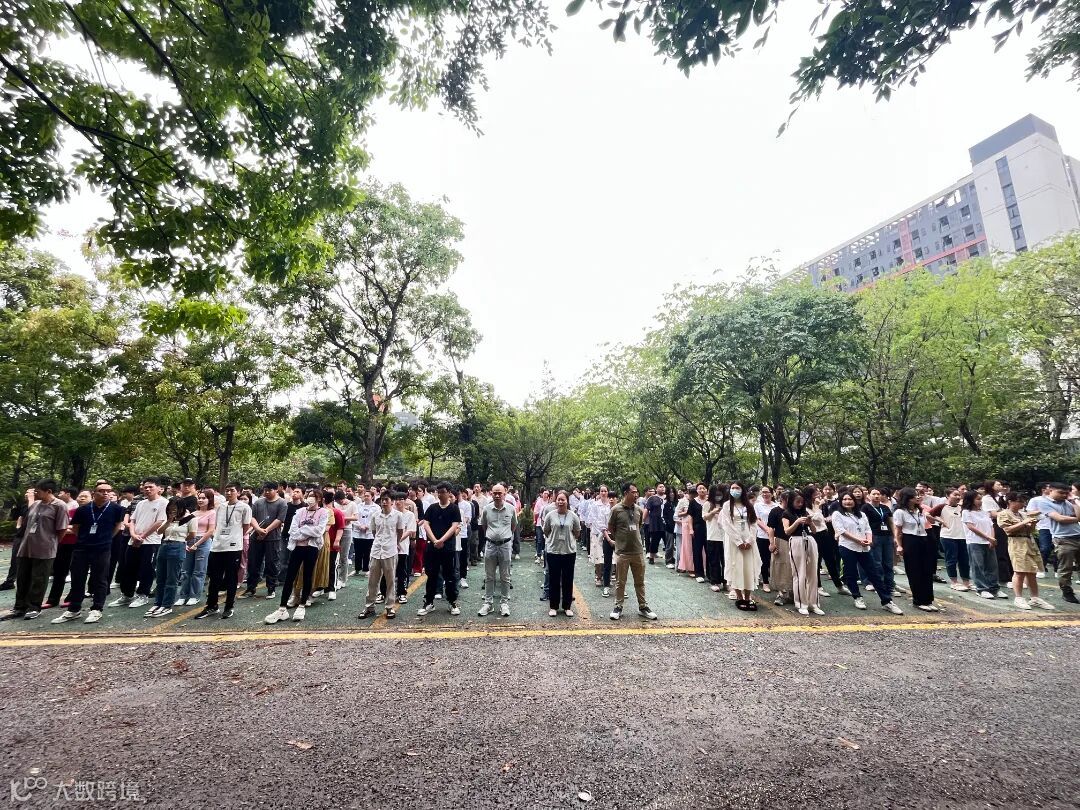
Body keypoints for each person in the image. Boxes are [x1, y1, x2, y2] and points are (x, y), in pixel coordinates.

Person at [51, 480, 126, 624]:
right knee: (78, 578)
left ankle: (97, 609)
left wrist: (106, 539)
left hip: (102, 548)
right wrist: (84, 539)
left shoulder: (117, 509)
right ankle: (74, 609)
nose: (105, 494)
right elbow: (76, 528)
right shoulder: (83, 509)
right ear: (94, 493)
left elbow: (117, 526)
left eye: (108, 491)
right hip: (82, 548)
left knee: (100, 579)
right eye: (101, 491)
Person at [1, 479, 68, 621]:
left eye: (38, 491)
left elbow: (61, 529)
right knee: (22, 577)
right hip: (26, 546)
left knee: (39, 579)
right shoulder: (36, 504)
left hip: (45, 548)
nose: (35, 494)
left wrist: (51, 543)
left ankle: (34, 607)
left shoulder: (59, 506)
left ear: (49, 491)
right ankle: (19, 607)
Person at [830, 491, 903, 614]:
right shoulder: (837, 514)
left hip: (864, 547)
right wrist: (858, 540)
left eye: (850, 499)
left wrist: (869, 540)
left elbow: (867, 529)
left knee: (874, 574)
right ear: (841, 501)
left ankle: (886, 601)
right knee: (851, 573)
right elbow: (841, 531)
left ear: (854, 501)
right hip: (847, 547)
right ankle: (857, 597)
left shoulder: (861, 514)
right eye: (845, 499)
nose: (847, 502)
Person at [266, 489, 328, 623]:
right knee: (290, 577)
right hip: (297, 548)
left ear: (319, 499)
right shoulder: (300, 512)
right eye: (309, 496)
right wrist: (307, 532)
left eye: (314, 496)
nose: (311, 498)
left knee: (307, 576)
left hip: (312, 548)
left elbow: (319, 531)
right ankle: (282, 608)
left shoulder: (323, 512)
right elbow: (292, 531)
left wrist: (303, 530)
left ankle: (302, 605)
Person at [196, 482, 253, 620]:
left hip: (233, 547)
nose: (228, 493)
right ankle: (212, 606)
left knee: (231, 578)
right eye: (227, 490)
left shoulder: (244, 507)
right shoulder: (221, 506)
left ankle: (229, 607)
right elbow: (217, 524)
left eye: (232, 490)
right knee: (214, 578)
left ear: (238, 492)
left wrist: (234, 537)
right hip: (217, 546)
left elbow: (245, 526)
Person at [111, 478, 167, 610]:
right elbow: (133, 520)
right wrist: (133, 534)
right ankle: (127, 594)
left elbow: (159, 522)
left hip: (151, 541)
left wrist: (143, 536)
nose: (147, 489)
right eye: (145, 487)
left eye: (151, 487)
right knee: (128, 567)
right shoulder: (141, 503)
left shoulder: (164, 503)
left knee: (146, 568)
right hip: (134, 540)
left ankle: (143, 594)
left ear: (159, 488)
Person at [607, 483, 657, 621]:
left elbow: (639, 525)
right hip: (622, 552)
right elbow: (611, 527)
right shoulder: (616, 510)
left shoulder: (639, 510)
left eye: (636, 492)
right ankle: (618, 607)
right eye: (633, 492)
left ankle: (643, 607)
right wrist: (620, 539)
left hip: (637, 551)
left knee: (639, 581)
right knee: (620, 582)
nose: (636, 494)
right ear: (625, 493)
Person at [997, 491, 1054, 610]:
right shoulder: (1003, 514)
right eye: (1020, 501)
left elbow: (1030, 531)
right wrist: (1024, 522)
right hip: (1016, 542)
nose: (1023, 504)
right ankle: (1018, 597)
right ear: (1010, 502)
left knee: (1032, 571)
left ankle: (1035, 598)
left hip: (1029, 541)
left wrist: (1033, 523)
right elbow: (1008, 530)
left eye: (1023, 502)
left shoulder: (1023, 514)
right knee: (1019, 571)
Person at [417, 482, 462, 617]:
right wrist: (435, 540)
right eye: (439, 492)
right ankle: (429, 602)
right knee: (432, 575)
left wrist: (442, 540)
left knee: (449, 575)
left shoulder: (454, 508)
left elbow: (454, 526)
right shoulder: (432, 508)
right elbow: (426, 524)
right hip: (433, 547)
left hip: (447, 547)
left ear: (449, 493)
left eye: (443, 492)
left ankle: (452, 602)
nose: (440, 494)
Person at [146, 496, 195, 617]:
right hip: (164, 545)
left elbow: (192, 534)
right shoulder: (169, 519)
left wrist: (181, 541)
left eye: (175, 508)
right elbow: (159, 531)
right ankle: (158, 603)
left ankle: (167, 605)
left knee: (171, 579)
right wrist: (169, 521)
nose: (172, 510)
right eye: (170, 508)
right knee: (160, 577)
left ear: (181, 508)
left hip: (178, 546)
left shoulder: (190, 518)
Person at [895, 487, 942, 612]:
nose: (917, 497)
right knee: (914, 570)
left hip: (924, 538)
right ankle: (918, 600)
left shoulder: (919, 510)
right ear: (907, 498)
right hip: (910, 540)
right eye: (914, 496)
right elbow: (898, 531)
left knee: (927, 570)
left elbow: (927, 522)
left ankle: (928, 600)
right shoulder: (900, 512)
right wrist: (899, 545)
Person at [358, 492, 402, 619]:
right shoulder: (375, 515)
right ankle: (369, 607)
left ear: (392, 501)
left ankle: (390, 607)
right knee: (372, 581)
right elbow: (374, 531)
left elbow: (400, 531)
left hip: (390, 551)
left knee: (390, 581)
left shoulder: (398, 515)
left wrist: (395, 543)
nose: (384, 502)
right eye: (382, 500)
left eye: (387, 499)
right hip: (376, 550)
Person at [43, 488, 86, 609]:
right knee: (59, 571)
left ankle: (72, 598)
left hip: (78, 544)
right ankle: (53, 599)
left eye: (85, 496)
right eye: (80, 496)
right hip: (62, 543)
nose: (82, 498)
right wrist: (66, 528)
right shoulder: (65, 509)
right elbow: (57, 526)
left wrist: (64, 528)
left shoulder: (86, 511)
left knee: (77, 572)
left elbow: (79, 529)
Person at [478, 483, 517, 617]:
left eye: (499, 493)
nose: (497, 495)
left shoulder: (511, 509)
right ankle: (488, 603)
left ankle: (504, 603)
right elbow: (484, 526)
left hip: (505, 545)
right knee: (489, 576)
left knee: (505, 576)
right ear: (491, 493)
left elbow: (513, 526)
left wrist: (504, 536)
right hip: (490, 545)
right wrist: (493, 536)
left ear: (505, 493)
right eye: (494, 493)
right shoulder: (487, 509)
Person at [244, 482, 287, 600]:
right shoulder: (258, 502)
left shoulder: (282, 503)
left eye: (269, 490)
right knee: (253, 563)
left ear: (276, 490)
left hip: (273, 538)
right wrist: (258, 529)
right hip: (256, 537)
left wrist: (266, 530)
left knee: (271, 563)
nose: (267, 492)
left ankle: (271, 588)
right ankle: (251, 588)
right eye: (265, 490)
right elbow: (252, 517)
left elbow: (279, 519)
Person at [720, 482, 759, 611]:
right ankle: (739, 597)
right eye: (732, 488)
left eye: (737, 488)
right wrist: (738, 541)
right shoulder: (727, 505)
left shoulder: (748, 505)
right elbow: (727, 524)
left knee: (748, 568)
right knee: (735, 567)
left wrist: (750, 540)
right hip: (733, 541)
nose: (735, 490)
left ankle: (747, 597)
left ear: (743, 490)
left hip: (748, 540)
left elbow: (753, 523)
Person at [960, 489, 1006, 600]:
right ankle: (981, 588)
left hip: (988, 542)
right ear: (971, 500)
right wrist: (988, 537)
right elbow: (971, 527)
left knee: (992, 566)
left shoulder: (984, 512)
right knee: (978, 566)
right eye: (978, 499)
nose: (980, 501)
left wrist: (992, 538)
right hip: (975, 542)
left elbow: (991, 526)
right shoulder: (966, 512)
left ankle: (994, 588)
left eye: (980, 499)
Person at [782, 491, 822, 616]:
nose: (800, 504)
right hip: (796, 541)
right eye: (797, 502)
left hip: (809, 540)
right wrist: (797, 522)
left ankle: (813, 603)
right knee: (800, 573)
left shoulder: (805, 512)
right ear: (791, 501)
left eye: (801, 502)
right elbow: (787, 531)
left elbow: (814, 531)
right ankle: (801, 603)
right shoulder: (786, 513)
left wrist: (810, 523)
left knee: (813, 573)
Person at [542, 491, 581, 616]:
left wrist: (570, 540)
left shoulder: (573, 516)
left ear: (567, 501)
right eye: (558, 499)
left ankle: (567, 606)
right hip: (553, 551)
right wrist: (553, 540)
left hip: (569, 551)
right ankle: (553, 607)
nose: (560, 502)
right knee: (553, 579)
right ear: (556, 501)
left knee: (568, 579)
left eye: (563, 499)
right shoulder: (550, 515)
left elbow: (577, 532)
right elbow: (546, 530)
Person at [177, 489, 216, 606]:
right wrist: (185, 542)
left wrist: (196, 544)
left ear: (210, 500)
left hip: (203, 542)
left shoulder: (212, 513)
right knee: (185, 570)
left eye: (204, 498)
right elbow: (182, 526)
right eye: (199, 498)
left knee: (199, 571)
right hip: (189, 541)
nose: (201, 500)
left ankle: (194, 595)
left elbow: (210, 531)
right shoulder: (193, 513)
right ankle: (183, 595)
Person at [1044, 482, 1080, 603]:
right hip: (1063, 539)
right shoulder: (1045, 503)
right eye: (1061, 493)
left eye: (1066, 493)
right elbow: (1059, 519)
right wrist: (1076, 518)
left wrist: (1074, 501)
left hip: (1078, 535)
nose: (1064, 495)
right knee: (1066, 567)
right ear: (1051, 491)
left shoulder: (1069, 502)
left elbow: (1078, 515)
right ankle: (1067, 592)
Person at [930, 489, 971, 591]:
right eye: (955, 495)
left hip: (962, 536)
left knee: (964, 560)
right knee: (951, 559)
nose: (958, 497)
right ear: (948, 496)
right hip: (948, 537)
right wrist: (940, 520)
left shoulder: (962, 508)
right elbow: (927, 514)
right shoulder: (942, 507)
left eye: (959, 495)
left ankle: (966, 582)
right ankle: (954, 582)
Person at [767, 490, 793, 606]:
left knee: (793, 567)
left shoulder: (795, 511)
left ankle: (792, 592)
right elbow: (771, 528)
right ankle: (781, 593)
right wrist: (772, 543)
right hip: (780, 541)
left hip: (795, 542)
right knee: (780, 567)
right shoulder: (775, 511)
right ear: (782, 499)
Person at [587, 486, 613, 596]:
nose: (603, 493)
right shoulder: (595, 504)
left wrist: (607, 530)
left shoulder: (611, 504)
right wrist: (601, 530)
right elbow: (593, 518)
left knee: (609, 557)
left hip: (609, 533)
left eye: (605, 491)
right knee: (598, 556)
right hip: (597, 532)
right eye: (602, 491)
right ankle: (598, 576)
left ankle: (608, 577)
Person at [702, 484, 728, 594]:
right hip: (713, 536)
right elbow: (705, 517)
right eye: (716, 494)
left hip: (725, 536)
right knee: (714, 560)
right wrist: (713, 512)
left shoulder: (726, 504)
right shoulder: (708, 504)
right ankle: (715, 582)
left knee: (726, 561)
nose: (718, 496)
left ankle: (726, 582)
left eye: (720, 494)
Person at [392, 492, 417, 604]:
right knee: (387, 570)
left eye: (401, 499)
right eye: (396, 499)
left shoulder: (410, 515)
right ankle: (383, 592)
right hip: (390, 547)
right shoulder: (391, 513)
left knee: (402, 570)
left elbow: (409, 531)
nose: (398, 502)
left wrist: (398, 541)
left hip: (402, 547)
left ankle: (401, 593)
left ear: (405, 501)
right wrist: (393, 542)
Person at [753, 486, 777, 593]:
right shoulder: (758, 505)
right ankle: (765, 582)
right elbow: (757, 519)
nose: (764, 494)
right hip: (762, 536)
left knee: (775, 560)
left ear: (772, 493)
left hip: (775, 536)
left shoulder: (776, 505)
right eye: (763, 492)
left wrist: (772, 531)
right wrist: (767, 529)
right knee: (764, 560)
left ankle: (775, 582)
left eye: (767, 492)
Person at [354, 489, 378, 577]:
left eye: (368, 496)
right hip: (358, 532)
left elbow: (376, 519)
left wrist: (367, 526)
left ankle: (367, 569)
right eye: (365, 496)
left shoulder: (376, 507)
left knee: (368, 552)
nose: (366, 497)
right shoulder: (358, 506)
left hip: (369, 533)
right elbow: (355, 517)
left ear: (372, 497)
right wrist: (359, 525)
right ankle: (357, 568)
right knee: (358, 551)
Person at [688, 483, 709, 584]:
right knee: (697, 551)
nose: (702, 490)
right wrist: (690, 529)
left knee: (709, 550)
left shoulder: (710, 501)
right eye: (700, 488)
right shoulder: (693, 502)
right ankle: (699, 573)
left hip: (709, 528)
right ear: (697, 491)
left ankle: (710, 573)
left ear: (707, 490)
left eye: (704, 488)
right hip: (697, 528)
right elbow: (690, 516)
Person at [643, 484, 666, 565]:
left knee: (668, 541)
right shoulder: (652, 498)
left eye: (663, 487)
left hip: (666, 523)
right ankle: (651, 557)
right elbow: (647, 510)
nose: (662, 488)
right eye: (660, 487)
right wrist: (643, 520)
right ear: (656, 489)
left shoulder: (668, 498)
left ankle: (669, 559)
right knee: (654, 540)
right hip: (655, 523)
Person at [457, 487, 473, 590]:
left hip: (462, 534)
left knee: (462, 557)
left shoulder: (466, 505)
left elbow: (466, 520)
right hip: (450, 536)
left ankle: (463, 577)